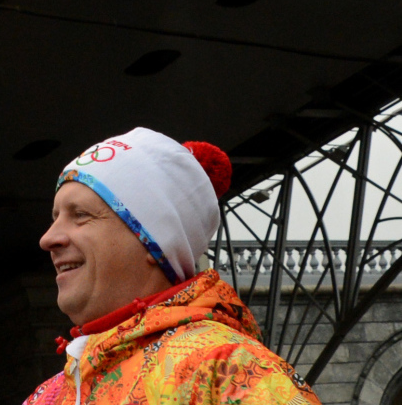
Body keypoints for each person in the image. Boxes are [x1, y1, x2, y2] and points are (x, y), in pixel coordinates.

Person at [28, 128, 320, 405]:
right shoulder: (48, 395)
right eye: (55, 218)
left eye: (80, 215)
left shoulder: (230, 372)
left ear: (153, 242)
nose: (48, 239)